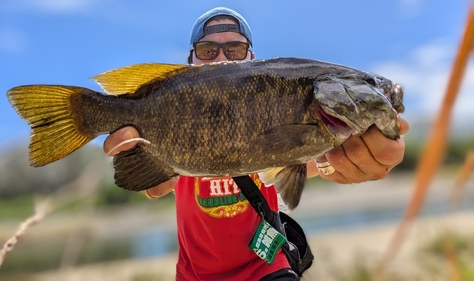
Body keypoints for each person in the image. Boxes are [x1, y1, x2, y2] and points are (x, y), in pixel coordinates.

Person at [103, 7, 409, 281]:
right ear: (189, 62)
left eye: (235, 49)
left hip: (267, 268)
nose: (221, 58)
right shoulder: (172, 116)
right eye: (207, 50)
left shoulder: (287, 120)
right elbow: (154, 186)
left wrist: (346, 162)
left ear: (253, 59)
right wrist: (142, 167)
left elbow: (316, 165)